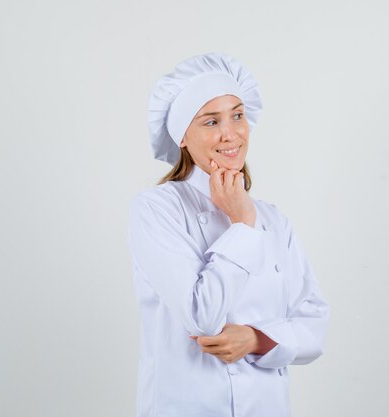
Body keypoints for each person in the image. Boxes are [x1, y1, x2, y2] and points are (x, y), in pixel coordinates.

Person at [127, 52, 330, 417]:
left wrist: (256, 339)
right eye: (210, 121)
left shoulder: (273, 221)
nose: (230, 133)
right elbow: (201, 316)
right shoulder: (157, 210)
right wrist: (240, 223)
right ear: (182, 137)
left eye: (237, 115)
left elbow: (313, 325)